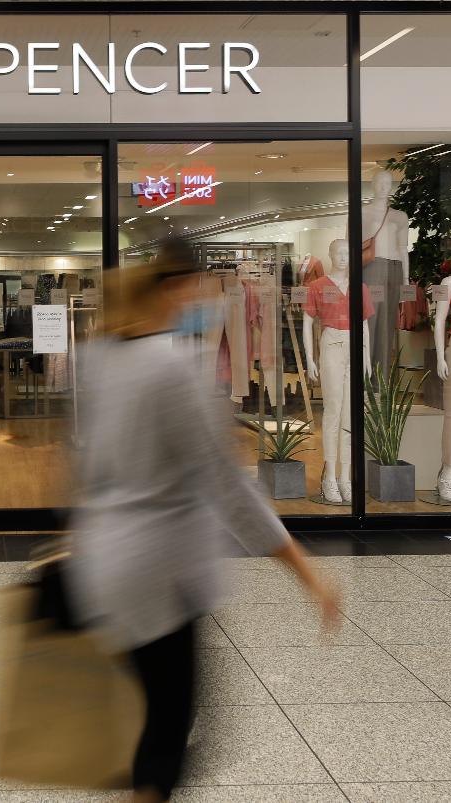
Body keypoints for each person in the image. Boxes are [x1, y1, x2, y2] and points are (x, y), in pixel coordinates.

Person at [67, 239, 340, 803]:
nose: (210, 302)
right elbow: (227, 488)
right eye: (204, 288)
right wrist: (306, 574)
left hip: (106, 561)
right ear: (180, 288)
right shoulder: (172, 367)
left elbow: (84, 465)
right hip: (158, 575)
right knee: (173, 728)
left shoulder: (100, 355)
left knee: (156, 716)